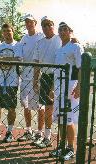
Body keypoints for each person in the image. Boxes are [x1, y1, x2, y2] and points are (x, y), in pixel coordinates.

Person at [49, 22, 83, 161]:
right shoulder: (58, 49)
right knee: (60, 118)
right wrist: (52, 88)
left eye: (65, 29)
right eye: (60, 30)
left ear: (70, 31)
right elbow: (56, 71)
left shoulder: (76, 46)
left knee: (69, 119)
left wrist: (79, 86)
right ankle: (61, 146)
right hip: (58, 87)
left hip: (70, 87)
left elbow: (81, 68)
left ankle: (70, 148)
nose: (62, 32)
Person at [0, 23, 22, 143]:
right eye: (5, 31)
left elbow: (18, 60)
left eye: (9, 31)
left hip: (12, 83)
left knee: (11, 109)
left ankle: (9, 132)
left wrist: (0, 60)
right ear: (2, 33)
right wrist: (6, 61)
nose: (7, 33)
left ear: (13, 31)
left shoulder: (18, 45)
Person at [32, 16, 62, 148]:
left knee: (54, 110)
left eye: (49, 24)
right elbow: (37, 63)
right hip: (44, 77)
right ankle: (46, 136)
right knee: (43, 108)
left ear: (53, 26)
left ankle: (53, 139)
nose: (46, 27)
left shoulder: (60, 39)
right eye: (44, 25)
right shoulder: (39, 43)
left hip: (57, 77)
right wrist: (35, 80)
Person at [16, 14, 44, 143]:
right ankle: (28, 131)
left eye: (30, 22)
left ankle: (39, 133)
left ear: (35, 23)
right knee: (26, 106)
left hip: (38, 77)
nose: (28, 24)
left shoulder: (41, 36)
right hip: (25, 77)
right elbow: (18, 54)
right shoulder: (23, 38)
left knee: (40, 107)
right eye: (26, 22)